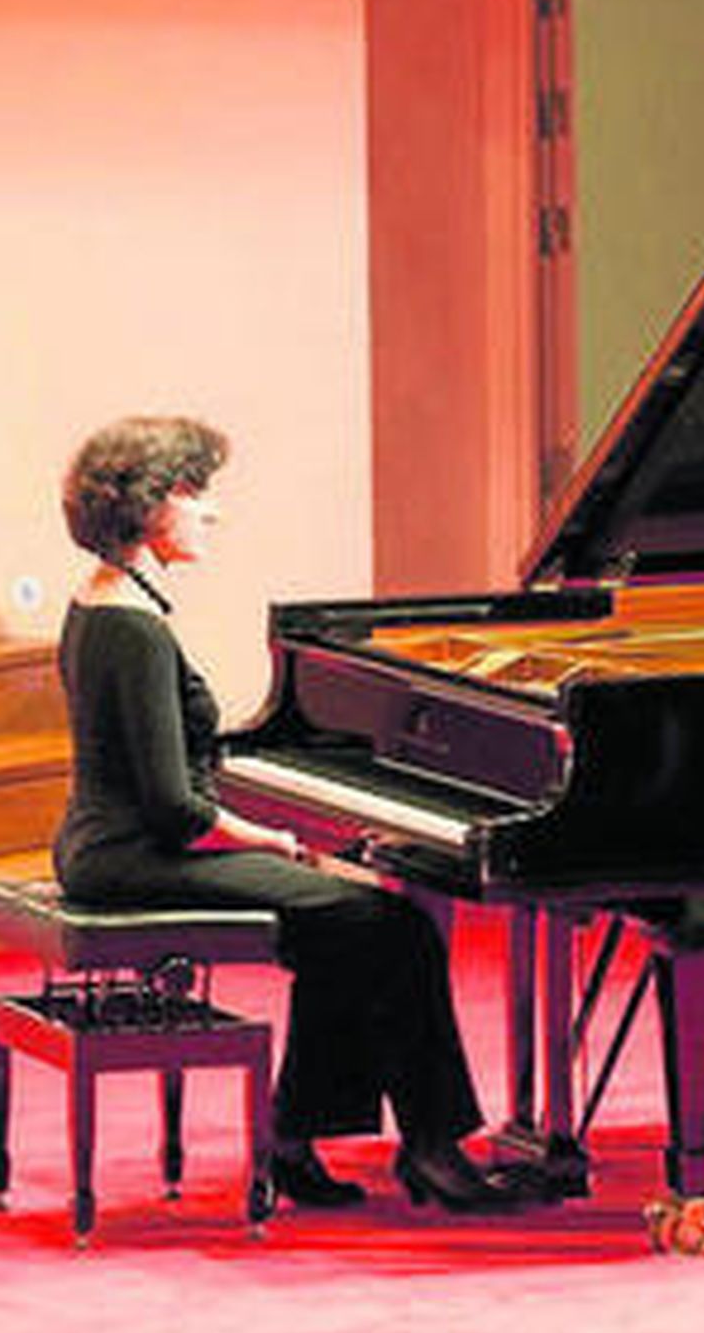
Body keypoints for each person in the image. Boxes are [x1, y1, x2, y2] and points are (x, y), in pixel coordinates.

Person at [53, 415, 514, 1213]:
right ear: (147, 507)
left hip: (114, 843)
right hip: (132, 854)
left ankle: (296, 1139)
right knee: (390, 923)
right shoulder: (132, 629)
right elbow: (172, 808)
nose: (211, 511)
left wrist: (275, 846)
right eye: (195, 494)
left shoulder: (103, 602)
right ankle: (435, 1150)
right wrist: (275, 840)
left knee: (344, 920)